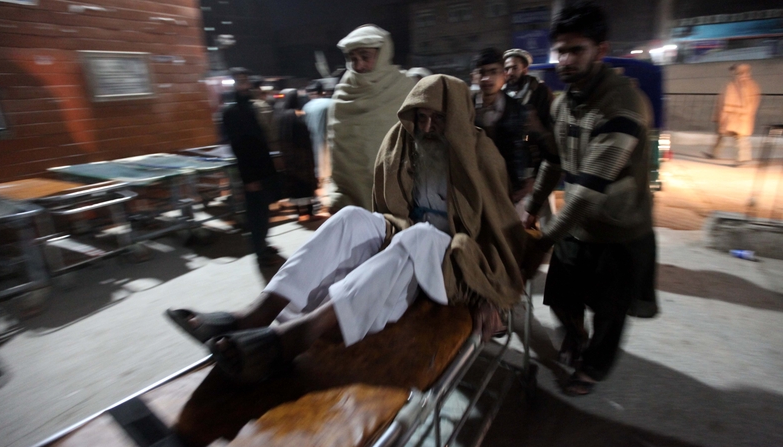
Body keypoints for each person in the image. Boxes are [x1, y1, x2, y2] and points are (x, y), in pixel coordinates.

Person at [167, 75, 538, 383]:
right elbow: (390, 209)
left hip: (455, 261)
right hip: (407, 239)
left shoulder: (481, 154)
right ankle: (257, 314)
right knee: (351, 218)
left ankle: (295, 338)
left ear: (456, 116)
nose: (426, 128)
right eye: (420, 117)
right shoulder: (403, 142)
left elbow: (499, 231)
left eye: (437, 119)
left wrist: (491, 293)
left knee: (419, 236)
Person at [523, 2, 657, 396]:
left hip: (620, 232)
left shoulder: (623, 106)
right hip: (578, 228)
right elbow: (554, 161)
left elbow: (583, 191)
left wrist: (541, 240)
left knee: (609, 313)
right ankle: (575, 336)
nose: (564, 60)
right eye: (559, 51)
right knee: (561, 300)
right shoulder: (563, 103)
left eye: (575, 49)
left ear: (601, 50)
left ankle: (593, 369)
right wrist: (532, 209)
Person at [328, 24, 415, 213]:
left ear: (382, 53)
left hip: (399, 186)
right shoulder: (343, 94)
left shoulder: (405, 88)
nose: (359, 65)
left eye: (365, 57)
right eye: (353, 58)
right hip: (355, 191)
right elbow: (338, 149)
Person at [222, 68, 284, 267]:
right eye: (239, 81)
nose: (243, 85)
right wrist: (249, 179)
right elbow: (239, 147)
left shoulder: (252, 107)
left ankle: (263, 243)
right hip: (251, 173)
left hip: (263, 167)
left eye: (245, 81)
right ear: (232, 85)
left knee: (264, 211)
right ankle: (260, 252)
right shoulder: (231, 112)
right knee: (256, 214)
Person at [471, 48, 537, 214]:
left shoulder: (520, 111)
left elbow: (534, 145)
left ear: (504, 75)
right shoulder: (465, 109)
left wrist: (531, 180)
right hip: (476, 192)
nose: (487, 78)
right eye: (482, 72)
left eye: (493, 72)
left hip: (512, 192)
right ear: (475, 76)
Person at [503, 48, 558, 227]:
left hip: (538, 167)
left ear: (525, 69)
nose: (510, 73)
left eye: (514, 68)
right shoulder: (503, 95)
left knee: (545, 218)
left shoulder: (540, 93)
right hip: (515, 169)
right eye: (507, 69)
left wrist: (536, 128)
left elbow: (550, 136)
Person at [702, 63, 761, 165]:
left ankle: (742, 158)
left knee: (740, 138)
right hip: (730, 117)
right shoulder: (734, 84)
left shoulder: (744, 85)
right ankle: (714, 153)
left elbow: (749, 102)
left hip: (738, 117)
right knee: (721, 135)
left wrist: (741, 112)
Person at [275, 89, 318, 220]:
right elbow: (305, 136)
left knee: (294, 183)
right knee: (306, 183)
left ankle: (299, 211)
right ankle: (309, 212)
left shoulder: (281, 116)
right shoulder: (298, 114)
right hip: (302, 156)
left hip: (289, 157)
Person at [302, 81, 333, 185]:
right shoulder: (331, 103)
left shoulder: (306, 106)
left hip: (312, 139)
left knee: (317, 160)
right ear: (322, 92)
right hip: (331, 138)